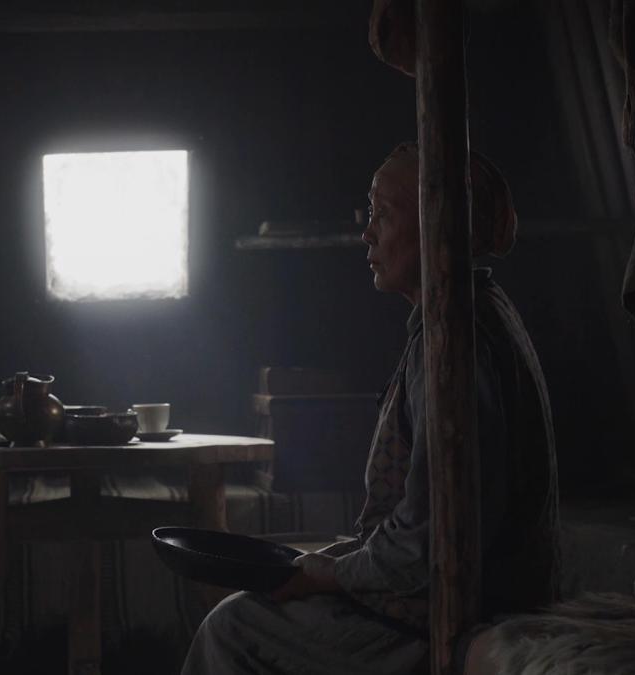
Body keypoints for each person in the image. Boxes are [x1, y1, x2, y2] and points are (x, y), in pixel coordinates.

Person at [181, 143, 559, 675]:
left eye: (383, 213)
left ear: (436, 224)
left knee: (233, 626)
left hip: (450, 616)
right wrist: (333, 560)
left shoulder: (454, 341)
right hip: (439, 599)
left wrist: (328, 574)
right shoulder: (467, 314)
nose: (368, 233)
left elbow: (427, 542)